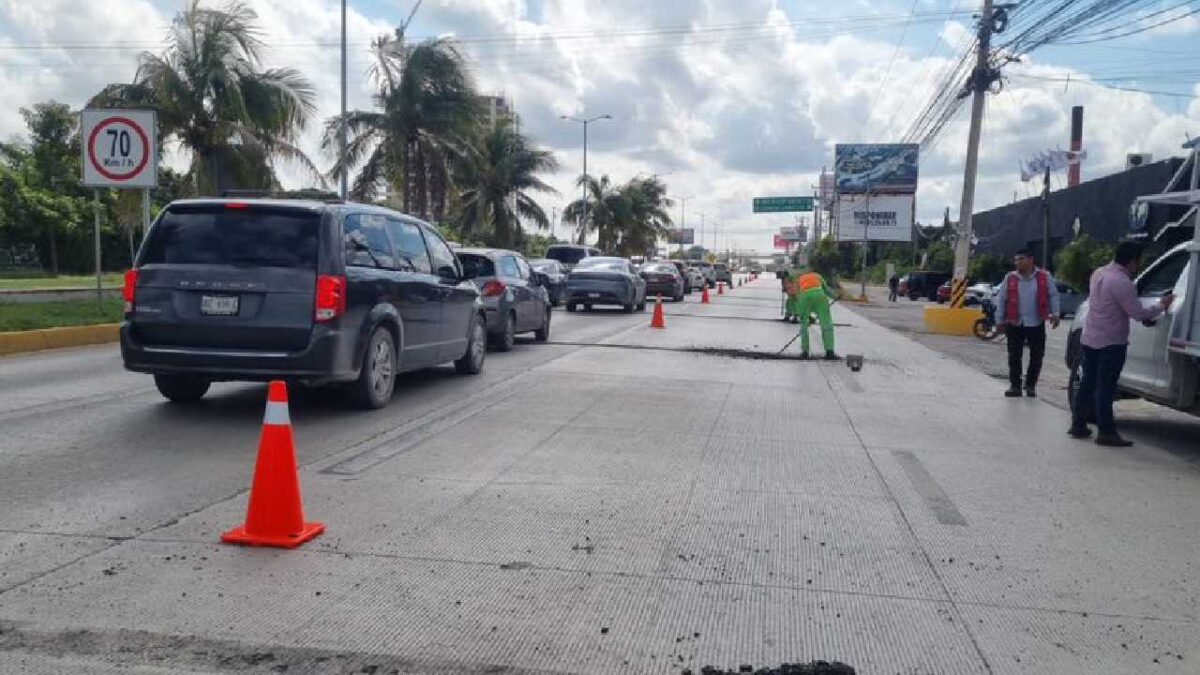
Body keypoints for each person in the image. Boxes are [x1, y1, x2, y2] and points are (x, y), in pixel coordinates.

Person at [1069, 242, 1174, 447]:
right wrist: (1161, 305)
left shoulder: (1099, 273)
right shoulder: (1121, 281)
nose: (1138, 266)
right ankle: (1106, 432)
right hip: (1110, 342)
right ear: (1133, 261)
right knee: (1105, 387)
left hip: (1090, 338)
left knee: (1088, 382)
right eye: (1138, 262)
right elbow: (1138, 313)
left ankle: (1078, 424)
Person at [993, 249, 1061, 398]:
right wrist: (999, 321)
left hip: (1036, 322)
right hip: (1014, 322)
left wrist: (1055, 314)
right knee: (1014, 355)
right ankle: (1015, 386)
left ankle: (1030, 385)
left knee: (1037, 355)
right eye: (1016, 260)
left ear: (1031, 260)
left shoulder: (1044, 276)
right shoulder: (1010, 278)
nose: (1017, 262)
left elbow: (1053, 296)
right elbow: (1001, 299)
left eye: (1021, 259)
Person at [789, 270, 838, 360]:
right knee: (826, 323)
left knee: (803, 326)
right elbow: (826, 289)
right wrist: (836, 296)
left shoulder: (799, 280)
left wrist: (807, 317)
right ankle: (829, 351)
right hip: (820, 296)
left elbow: (797, 297)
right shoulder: (817, 276)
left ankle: (805, 352)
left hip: (805, 297)